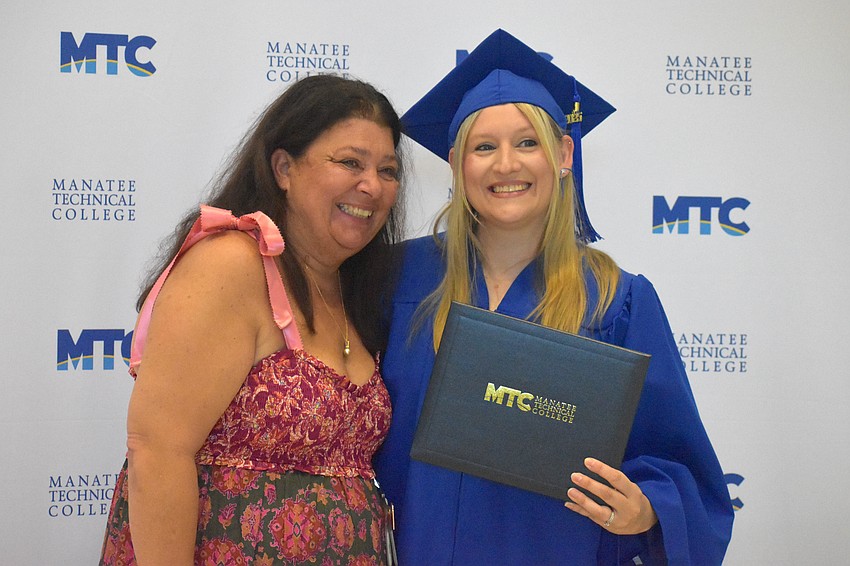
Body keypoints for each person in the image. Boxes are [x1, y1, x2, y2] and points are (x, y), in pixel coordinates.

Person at [373, 29, 734, 564]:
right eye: (484, 147)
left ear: (564, 153)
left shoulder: (616, 300)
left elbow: (678, 464)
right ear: (456, 161)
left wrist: (646, 507)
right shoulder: (399, 277)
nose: (506, 165)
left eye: (527, 142)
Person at [100, 74, 406, 565]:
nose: (372, 185)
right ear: (284, 167)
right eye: (350, 162)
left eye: (388, 170)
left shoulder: (354, 289)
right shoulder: (233, 263)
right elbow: (157, 449)